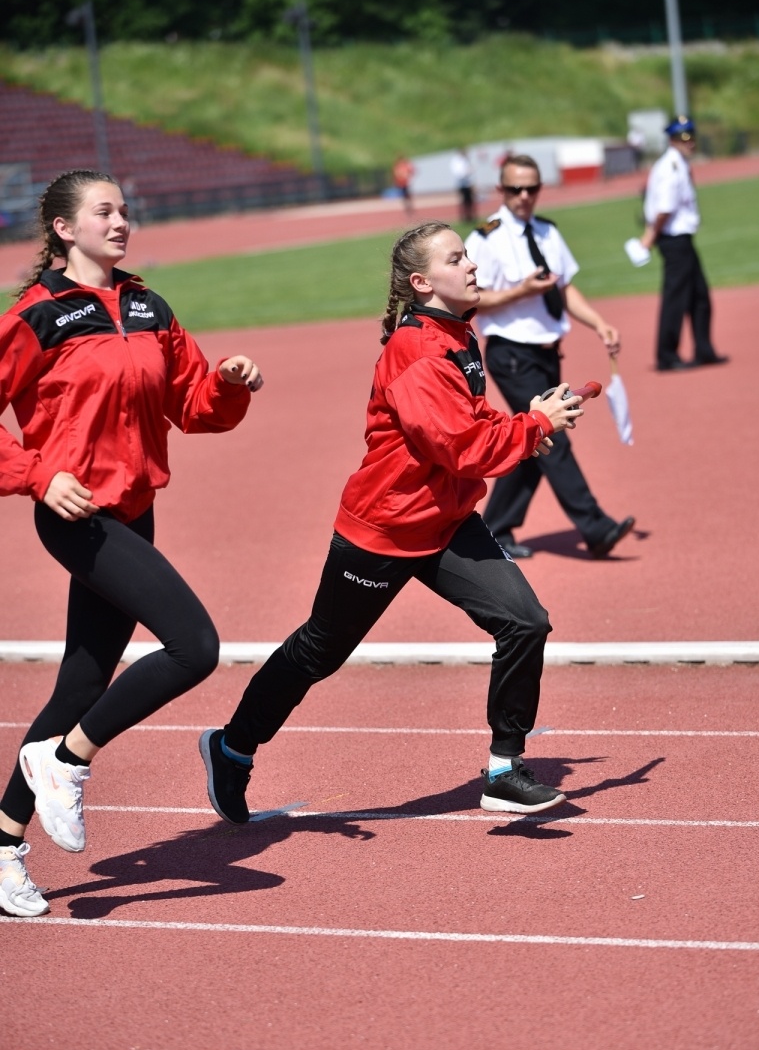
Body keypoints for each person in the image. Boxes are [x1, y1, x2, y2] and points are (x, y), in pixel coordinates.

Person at [199, 221, 584, 827]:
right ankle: (231, 747)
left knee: (525, 622)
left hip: (448, 521)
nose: (473, 265)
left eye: (469, 256)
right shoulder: (417, 350)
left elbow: (472, 422)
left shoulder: (457, 333)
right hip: (385, 530)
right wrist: (532, 427)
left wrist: (522, 429)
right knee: (318, 653)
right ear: (422, 281)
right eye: (458, 258)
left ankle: (505, 769)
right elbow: (457, 445)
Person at [0, 169, 263, 918]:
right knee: (194, 646)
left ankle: (1, 844)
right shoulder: (37, 315)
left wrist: (232, 383)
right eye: (104, 212)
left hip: (134, 511)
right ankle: (69, 761)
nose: (121, 221)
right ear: (64, 228)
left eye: (124, 210)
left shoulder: (149, 306)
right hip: (77, 516)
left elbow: (193, 405)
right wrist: (35, 476)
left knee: (82, 684)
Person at [464, 154, 634, 560]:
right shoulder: (485, 238)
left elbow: (566, 288)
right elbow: (471, 299)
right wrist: (517, 293)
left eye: (531, 188)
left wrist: (599, 323)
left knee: (531, 439)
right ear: (500, 191)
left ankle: (495, 530)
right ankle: (595, 527)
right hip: (510, 352)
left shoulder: (548, 232)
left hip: (547, 353)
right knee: (551, 435)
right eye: (514, 189)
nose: (524, 196)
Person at [640, 116, 728, 372]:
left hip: (682, 238)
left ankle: (704, 349)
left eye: (691, 137)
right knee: (676, 298)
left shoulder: (678, 164)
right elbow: (664, 209)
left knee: (699, 296)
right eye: (683, 138)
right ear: (672, 140)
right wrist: (650, 237)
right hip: (673, 239)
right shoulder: (670, 167)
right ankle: (667, 355)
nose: (690, 143)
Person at [450, 147, 476, 223]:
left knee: (470, 200)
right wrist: (467, 171)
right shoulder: (456, 161)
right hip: (461, 184)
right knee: (463, 200)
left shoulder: (466, 160)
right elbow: (459, 173)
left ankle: (470, 216)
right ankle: (464, 217)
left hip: (468, 183)